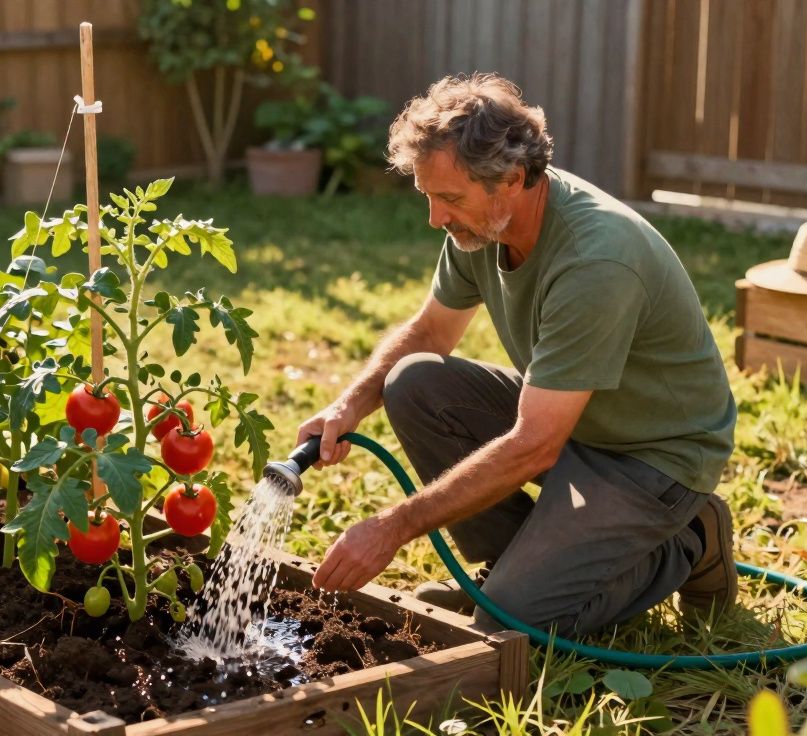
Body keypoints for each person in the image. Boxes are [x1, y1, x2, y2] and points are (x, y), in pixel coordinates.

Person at [297, 74, 738, 636]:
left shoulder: (596, 261)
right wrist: (349, 405)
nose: (435, 218)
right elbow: (429, 333)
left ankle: (689, 541)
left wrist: (392, 527)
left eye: (449, 199)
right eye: (429, 196)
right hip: (574, 422)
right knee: (413, 381)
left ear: (510, 180)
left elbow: (534, 445)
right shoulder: (482, 225)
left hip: (653, 455)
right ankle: (508, 566)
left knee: (512, 625)